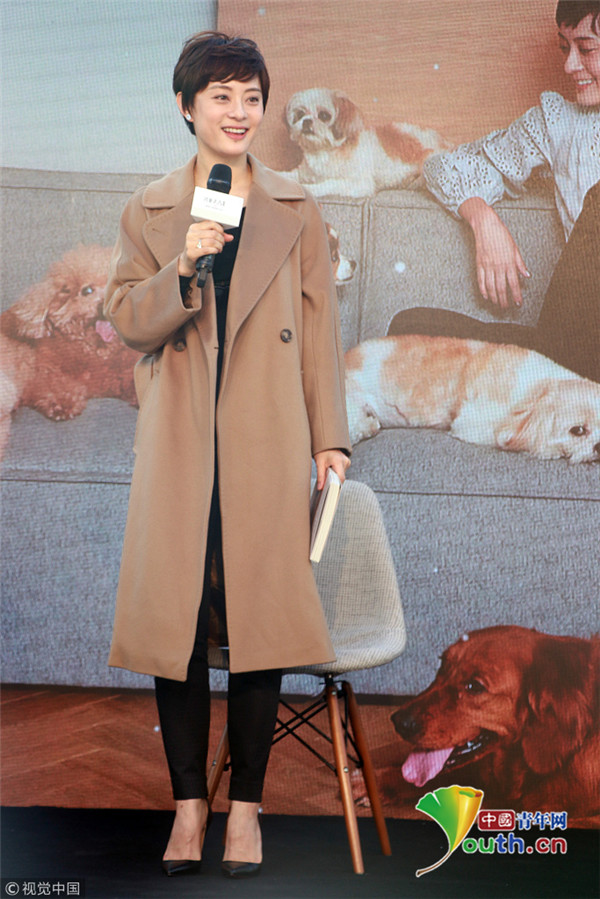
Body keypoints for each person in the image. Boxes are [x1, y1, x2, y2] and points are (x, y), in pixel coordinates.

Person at [104, 32, 351, 879]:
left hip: (264, 438)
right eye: (222, 96)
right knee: (177, 626)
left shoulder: (297, 206)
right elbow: (127, 321)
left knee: (259, 622)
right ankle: (188, 806)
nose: (240, 112)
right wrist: (184, 266)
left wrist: (328, 438)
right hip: (179, 441)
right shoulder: (150, 209)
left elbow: (317, 328)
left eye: (251, 97)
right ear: (187, 107)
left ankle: (245, 809)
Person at [391, 0, 600, 382]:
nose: (570, 65)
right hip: (575, 343)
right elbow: (444, 165)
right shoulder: (558, 123)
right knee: (409, 329)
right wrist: (482, 218)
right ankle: (555, 380)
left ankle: (556, 382)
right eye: (564, 48)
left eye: (586, 49)